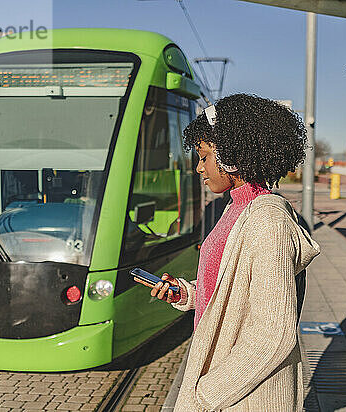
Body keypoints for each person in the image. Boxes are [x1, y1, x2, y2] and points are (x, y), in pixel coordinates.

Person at [134, 93, 320, 411]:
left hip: (243, 396)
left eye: (204, 157)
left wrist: (205, 394)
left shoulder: (268, 221)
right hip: (226, 386)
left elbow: (273, 333)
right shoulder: (237, 206)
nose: (198, 168)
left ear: (233, 157)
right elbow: (230, 293)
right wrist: (185, 294)